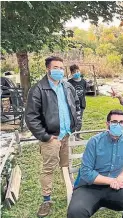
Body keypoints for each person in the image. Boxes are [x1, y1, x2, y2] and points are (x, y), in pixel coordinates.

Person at [25, 56, 82, 217]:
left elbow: (76, 105)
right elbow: (31, 116)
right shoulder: (38, 89)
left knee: (67, 167)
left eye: (61, 68)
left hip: (67, 135)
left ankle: (72, 192)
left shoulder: (67, 86)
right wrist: (45, 136)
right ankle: (46, 200)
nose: (59, 71)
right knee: (49, 168)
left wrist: (76, 125)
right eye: (55, 67)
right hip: (51, 137)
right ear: (48, 69)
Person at [67, 110, 123, 218]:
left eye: (121, 122)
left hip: (114, 189)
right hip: (89, 187)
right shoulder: (95, 141)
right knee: (76, 211)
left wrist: (121, 176)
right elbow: (86, 172)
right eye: (114, 122)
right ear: (107, 124)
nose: (118, 125)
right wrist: (112, 181)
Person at [68, 64, 88, 140]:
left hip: (81, 105)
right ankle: (72, 134)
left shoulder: (83, 81)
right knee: (73, 120)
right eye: (74, 72)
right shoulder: (69, 82)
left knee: (79, 120)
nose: (76, 73)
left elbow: (85, 91)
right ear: (71, 73)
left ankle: (78, 135)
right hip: (72, 105)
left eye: (77, 71)